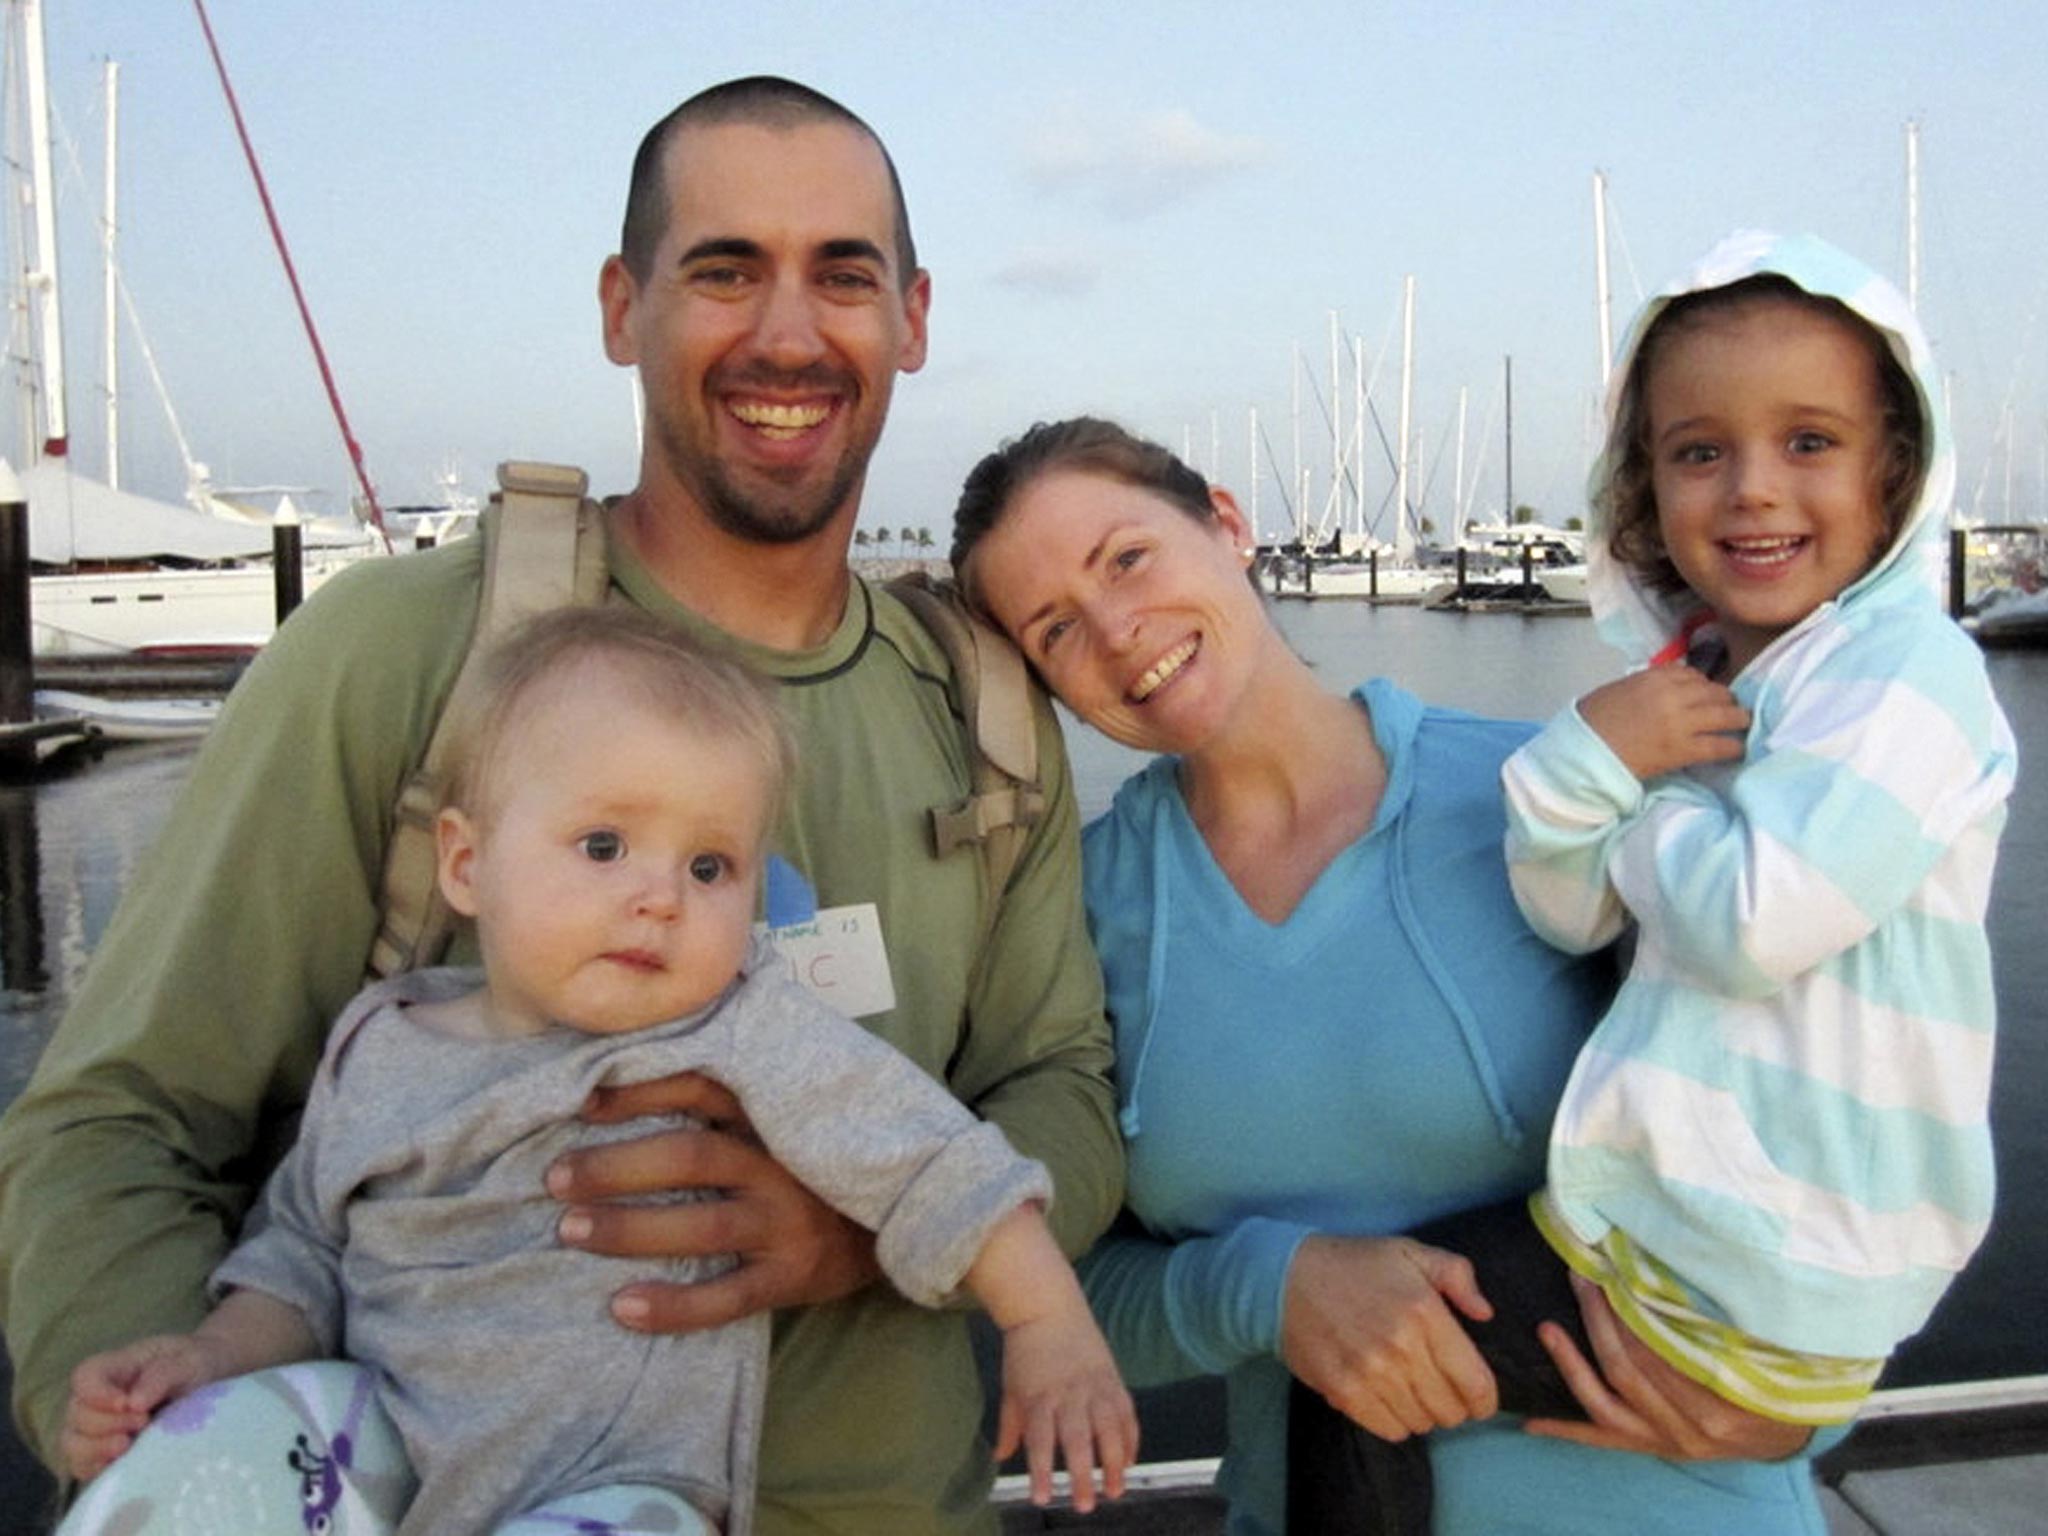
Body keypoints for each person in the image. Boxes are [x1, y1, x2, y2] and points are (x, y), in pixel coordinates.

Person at [0, 77, 1122, 1536]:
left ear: (911, 319)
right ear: (620, 308)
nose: (788, 333)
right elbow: (121, 1123)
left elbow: (1064, 1094)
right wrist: (174, 1451)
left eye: (841, 276)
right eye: (724, 271)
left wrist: (859, 1230)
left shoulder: (981, 711)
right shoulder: (404, 652)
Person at [950, 415, 1853, 1536]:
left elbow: (1836, 1122)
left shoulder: (1550, 795)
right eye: (1054, 629)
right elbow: (1055, 1290)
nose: (1117, 630)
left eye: (1126, 558)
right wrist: (1269, 1288)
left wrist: (1807, 1407)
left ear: (1226, 525)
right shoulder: (1078, 913)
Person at [55, 608, 1135, 1535]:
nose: (660, 895)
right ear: (467, 865)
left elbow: (935, 1166)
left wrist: (1047, 1328)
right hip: (388, 1463)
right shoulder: (378, 1043)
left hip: (622, 1495)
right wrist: (205, 1362)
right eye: (605, 847)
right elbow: (300, 1256)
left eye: (710, 866)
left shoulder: (737, 1026)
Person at [1287, 231, 2021, 1532]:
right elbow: (1563, 907)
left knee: (1354, 1346)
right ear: (1643, 481)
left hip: (1767, 1264)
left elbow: (1756, 917)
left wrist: (1617, 792)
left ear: (1894, 469)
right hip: (1690, 1238)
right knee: (1368, 1321)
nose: (1751, 489)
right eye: (1700, 451)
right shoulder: (1708, 683)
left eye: (1809, 443)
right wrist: (1592, 760)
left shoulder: (1907, 679)